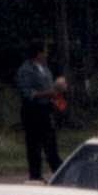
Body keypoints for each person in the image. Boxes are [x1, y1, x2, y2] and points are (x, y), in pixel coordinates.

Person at [15, 44, 65, 181]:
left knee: (51, 145)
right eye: (44, 52)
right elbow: (27, 93)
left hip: (46, 110)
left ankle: (60, 174)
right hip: (33, 112)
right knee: (34, 146)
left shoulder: (45, 68)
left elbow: (50, 88)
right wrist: (48, 93)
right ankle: (35, 177)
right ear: (38, 54)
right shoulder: (26, 70)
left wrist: (58, 91)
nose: (46, 55)